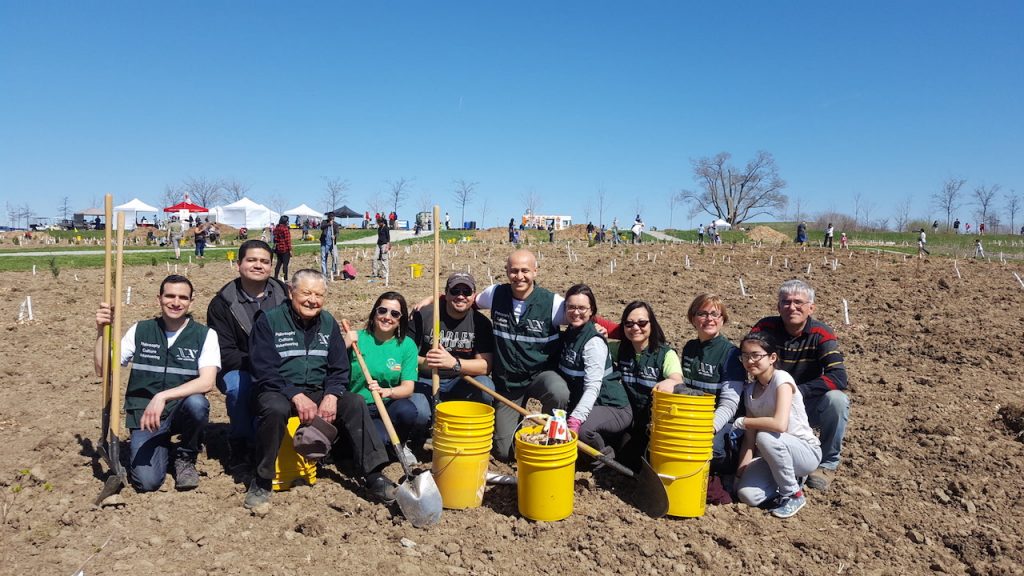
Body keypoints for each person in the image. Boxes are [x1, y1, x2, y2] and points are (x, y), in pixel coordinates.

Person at [246, 270, 397, 508]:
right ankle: (262, 478)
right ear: (290, 292)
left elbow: (339, 368)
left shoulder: (328, 323)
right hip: (279, 389)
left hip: (317, 389)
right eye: (306, 293)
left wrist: (332, 395)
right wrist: (294, 394)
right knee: (274, 408)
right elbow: (264, 369)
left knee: (355, 402)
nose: (312, 300)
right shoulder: (269, 321)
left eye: (319, 295)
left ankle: (373, 474)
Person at [93, 275, 220, 491]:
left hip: (180, 410)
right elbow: (103, 369)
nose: (176, 302)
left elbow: (207, 382)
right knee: (147, 483)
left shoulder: (204, 335)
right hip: (146, 416)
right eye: (170, 296)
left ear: (191, 301)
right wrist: (102, 330)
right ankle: (160, 447)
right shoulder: (141, 330)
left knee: (198, 403)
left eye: (183, 297)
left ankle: (185, 456)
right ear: (159, 298)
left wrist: (162, 396)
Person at [750, 280, 848, 491]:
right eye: (786, 302)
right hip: (771, 401)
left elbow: (838, 376)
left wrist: (795, 392)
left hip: (805, 403)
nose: (792, 307)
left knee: (837, 401)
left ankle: (826, 465)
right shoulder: (765, 328)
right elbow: (748, 355)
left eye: (798, 302)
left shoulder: (821, 334)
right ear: (778, 307)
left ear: (811, 307)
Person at [472, 249, 569, 460]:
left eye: (525, 270)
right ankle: (516, 437)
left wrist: (604, 329)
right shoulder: (495, 294)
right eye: (514, 271)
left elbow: (583, 314)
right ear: (507, 272)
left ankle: (553, 435)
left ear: (535, 271)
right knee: (503, 452)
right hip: (508, 383)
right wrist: (434, 299)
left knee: (558, 391)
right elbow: (465, 301)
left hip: (540, 375)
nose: (519, 276)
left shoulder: (553, 303)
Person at [206, 240, 289, 469]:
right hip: (239, 367)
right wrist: (260, 365)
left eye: (264, 261)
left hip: (282, 363)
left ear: (271, 266)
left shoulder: (286, 295)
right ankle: (241, 442)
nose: (258, 265)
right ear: (239, 264)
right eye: (251, 260)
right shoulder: (222, 303)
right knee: (238, 387)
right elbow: (224, 350)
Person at [734, 332, 821, 518]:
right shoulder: (749, 391)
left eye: (756, 355)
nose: (750, 361)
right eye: (745, 356)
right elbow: (749, 440)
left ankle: (793, 494)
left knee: (764, 436)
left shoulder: (782, 379)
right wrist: (739, 475)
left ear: (772, 357)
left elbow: (780, 424)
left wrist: (744, 421)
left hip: (804, 451)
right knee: (747, 495)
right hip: (771, 455)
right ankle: (790, 482)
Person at [408, 272, 495, 436]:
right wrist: (427, 362)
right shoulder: (423, 315)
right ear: (446, 294)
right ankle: (421, 434)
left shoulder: (481, 323)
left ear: (473, 296)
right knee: (418, 411)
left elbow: (485, 366)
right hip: (426, 379)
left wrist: (453, 363)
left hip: (461, 379)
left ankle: (467, 429)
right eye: (455, 291)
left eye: (466, 292)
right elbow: (404, 356)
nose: (461, 296)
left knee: (486, 387)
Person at [555, 284, 632, 459]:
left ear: (592, 311)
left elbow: (593, 386)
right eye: (571, 307)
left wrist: (575, 420)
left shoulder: (593, 342)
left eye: (582, 308)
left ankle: (605, 457)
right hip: (591, 404)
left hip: (611, 405)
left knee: (583, 430)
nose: (576, 312)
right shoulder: (570, 334)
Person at [343, 292, 423, 456]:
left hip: (386, 404)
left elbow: (408, 388)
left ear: (401, 319)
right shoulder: (357, 339)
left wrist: (387, 391)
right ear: (374, 313)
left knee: (407, 411)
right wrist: (343, 345)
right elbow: (332, 367)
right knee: (376, 440)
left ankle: (397, 447)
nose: (387, 317)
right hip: (359, 406)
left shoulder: (407, 346)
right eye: (382, 311)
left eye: (395, 314)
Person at [677, 294, 745, 475]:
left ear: (723, 320)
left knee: (711, 450)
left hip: (720, 423)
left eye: (715, 314)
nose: (709, 319)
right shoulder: (690, 348)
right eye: (703, 313)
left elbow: (729, 404)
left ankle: (725, 473)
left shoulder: (731, 354)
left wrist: (708, 429)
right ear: (693, 318)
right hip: (694, 418)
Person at [615, 301, 682, 471]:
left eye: (642, 323)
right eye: (629, 324)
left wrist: (671, 381)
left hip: (653, 426)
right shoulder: (619, 349)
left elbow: (677, 379)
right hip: (628, 419)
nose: (635, 328)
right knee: (624, 458)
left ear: (652, 324)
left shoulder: (665, 354)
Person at [271, 215, 292, 280]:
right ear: (286, 221)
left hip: (278, 248)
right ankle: (285, 279)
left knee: (278, 263)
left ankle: (275, 277)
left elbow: (275, 239)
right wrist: (290, 249)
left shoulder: (276, 228)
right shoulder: (285, 229)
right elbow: (287, 240)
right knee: (285, 265)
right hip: (285, 248)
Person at [319, 213, 339, 279]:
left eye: (333, 218)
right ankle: (324, 273)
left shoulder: (335, 224)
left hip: (332, 244)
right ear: (328, 217)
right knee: (324, 258)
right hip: (324, 243)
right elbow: (321, 227)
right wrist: (328, 224)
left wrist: (335, 236)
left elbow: (337, 233)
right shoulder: (324, 222)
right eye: (330, 218)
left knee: (335, 257)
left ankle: (333, 271)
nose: (332, 219)